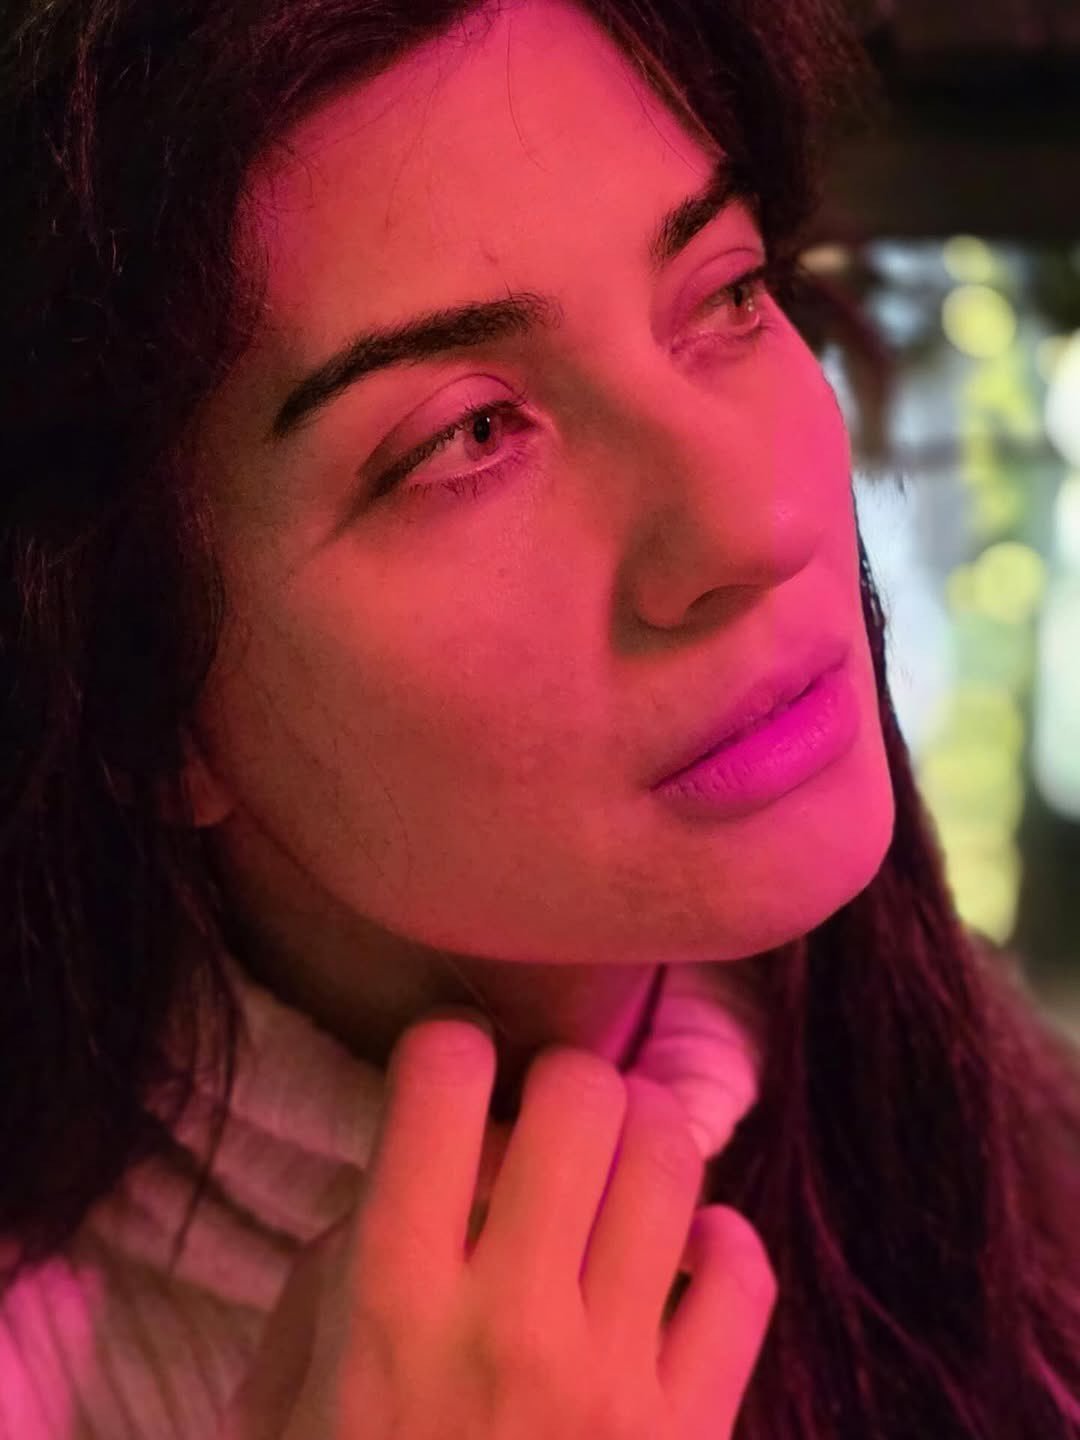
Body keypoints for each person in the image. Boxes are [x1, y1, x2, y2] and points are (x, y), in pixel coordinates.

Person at [2, 0, 1080, 1434]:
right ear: (137, 694)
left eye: (727, 293)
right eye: (469, 433)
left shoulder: (1009, 1154)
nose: (756, 524)